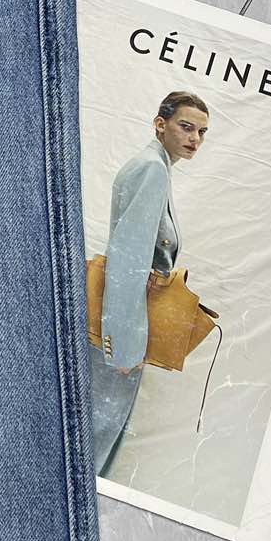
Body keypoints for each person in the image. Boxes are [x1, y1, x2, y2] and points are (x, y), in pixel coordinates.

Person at [90, 89, 209, 476]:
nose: (194, 138)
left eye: (202, 132)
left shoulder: (157, 165)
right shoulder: (152, 169)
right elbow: (128, 259)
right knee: (94, 437)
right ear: (160, 124)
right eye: (186, 127)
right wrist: (123, 347)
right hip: (121, 328)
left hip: (122, 322)